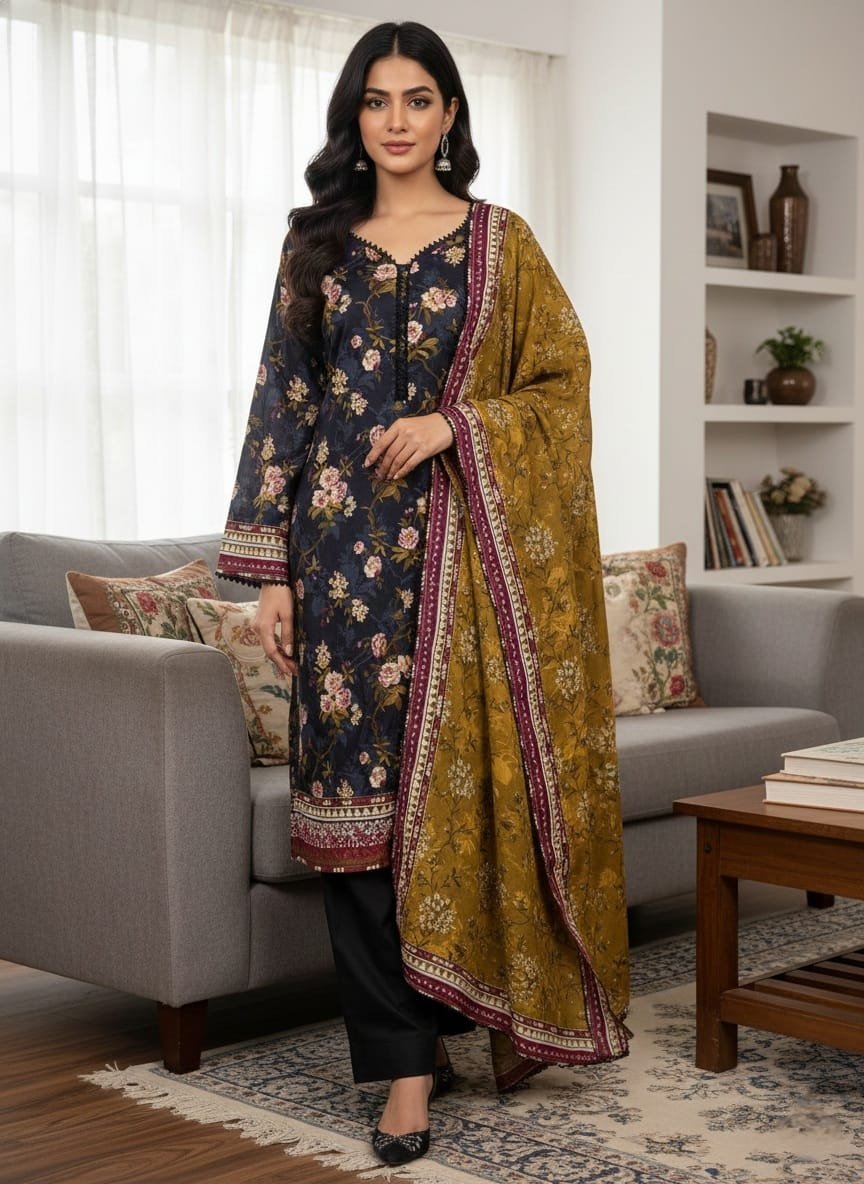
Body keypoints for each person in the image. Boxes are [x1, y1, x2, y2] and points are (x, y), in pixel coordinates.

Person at [216, 20, 630, 1168]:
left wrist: (458, 424)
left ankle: (446, 1032)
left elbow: (562, 384)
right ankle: (402, 1064)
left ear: (449, 114)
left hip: (465, 575)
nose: (395, 120)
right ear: (354, 118)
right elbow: (282, 402)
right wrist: (270, 573)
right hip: (342, 564)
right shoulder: (316, 244)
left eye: (417, 99)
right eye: (376, 100)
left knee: (455, 808)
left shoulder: (503, 245)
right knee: (352, 824)